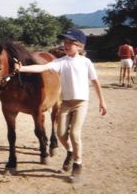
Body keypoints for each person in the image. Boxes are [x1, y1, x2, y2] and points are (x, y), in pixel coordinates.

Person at [15, 29, 107, 183]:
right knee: (60, 133)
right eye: (65, 42)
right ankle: (70, 151)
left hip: (81, 103)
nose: (66, 45)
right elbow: (42, 68)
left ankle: (77, 164)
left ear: (79, 45)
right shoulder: (61, 61)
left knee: (74, 134)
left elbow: (95, 82)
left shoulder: (86, 62)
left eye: (70, 43)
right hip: (66, 103)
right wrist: (22, 68)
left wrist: (102, 101)